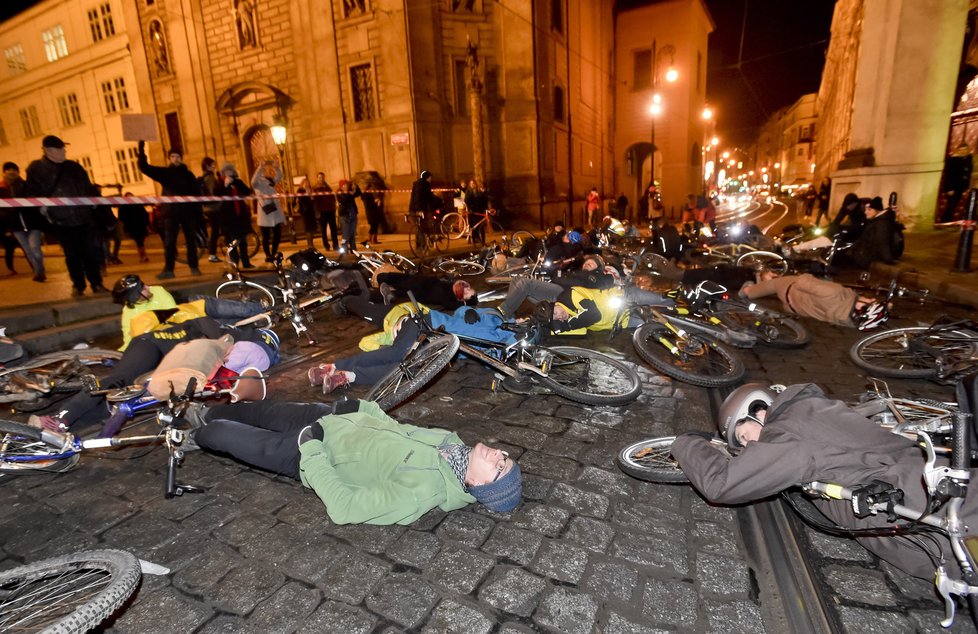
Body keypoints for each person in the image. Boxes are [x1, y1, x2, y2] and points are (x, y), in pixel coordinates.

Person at [671, 382, 978, 581]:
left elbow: (722, 484)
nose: (748, 447)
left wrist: (688, 442)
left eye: (742, 436)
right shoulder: (815, 407)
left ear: (757, 412)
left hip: (940, 527)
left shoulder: (786, 436)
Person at [192, 398, 522, 524]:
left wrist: (312, 453)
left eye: (498, 468)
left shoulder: (422, 491)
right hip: (330, 418)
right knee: (259, 409)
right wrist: (366, 409)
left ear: (477, 486)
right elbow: (399, 429)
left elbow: (345, 508)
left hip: (310, 451)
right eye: (504, 458)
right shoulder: (451, 442)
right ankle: (203, 410)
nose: (498, 455)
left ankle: (189, 435)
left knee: (225, 435)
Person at [23, 135, 106, 296]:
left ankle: (97, 283)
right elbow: (32, 193)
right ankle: (78, 285)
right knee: (72, 255)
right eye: (60, 148)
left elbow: (87, 187)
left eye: (64, 147)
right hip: (61, 220)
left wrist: (94, 202)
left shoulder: (74, 167)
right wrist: (42, 207)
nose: (64, 151)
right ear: (48, 151)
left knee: (90, 253)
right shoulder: (36, 169)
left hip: (83, 217)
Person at [741, 268, 889, 330]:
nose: (869, 298)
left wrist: (806, 275)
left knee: (778, 283)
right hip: (795, 308)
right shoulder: (849, 320)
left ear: (861, 306)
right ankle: (768, 279)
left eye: (870, 301)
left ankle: (748, 291)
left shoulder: (836, 292)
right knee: (785, 284)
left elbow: (802, 282)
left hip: (790, 291)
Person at [137, 141, 203, 278]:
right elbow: (144, 168)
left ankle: (194, 267)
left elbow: (197, 194)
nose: (176, 158)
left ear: (181, 158)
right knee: (169, 242)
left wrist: (199, 214)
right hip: (171, 213)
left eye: (178, 156)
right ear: (169, 158)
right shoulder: (165, 173)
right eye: (173, 156)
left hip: (187, 213)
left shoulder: (188, 175)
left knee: (191, 241)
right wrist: (141, 149)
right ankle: (169, 270)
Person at [2, 162, 47, 282]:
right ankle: (39, 272)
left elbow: (35, 202)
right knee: (28, 251)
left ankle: (40, 271)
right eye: (8, 170)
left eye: (14, 169)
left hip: (32, 223)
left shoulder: (26, 186)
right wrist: (6, 228)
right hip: (15, 225)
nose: (11, 172)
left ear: (18, 172)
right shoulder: (2, 189)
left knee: (35, 249)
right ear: (4, 172)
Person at [112, 274, 177, 351]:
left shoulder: (159, 291)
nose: (148, 287)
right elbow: (129, 340)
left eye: (143, 284)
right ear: (135, 297)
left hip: (173, 339)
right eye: (143, 288)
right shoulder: (128, 312)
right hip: (152, 346)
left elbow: (175, 317)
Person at [215, 162, 254, 269]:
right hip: (228, 218)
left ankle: (246, 263)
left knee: (243, 242)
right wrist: (225, 185)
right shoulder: (219, 183)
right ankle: (235, 263)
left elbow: (248, 191)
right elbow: (217, 195)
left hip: (240, 217)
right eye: (226, 171)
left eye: (230, 171)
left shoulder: (237, 182)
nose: (229, 173)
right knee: (232, 243)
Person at [376, 272, 476, 310]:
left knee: (402, 284)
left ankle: (382, 294)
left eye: (467, 292)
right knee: (401, 282)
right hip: (423, 283)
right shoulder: (454, 287)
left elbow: (450, 304)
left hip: (421, 289)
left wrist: (467, 300)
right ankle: (388, 292)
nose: (467, 289)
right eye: (468, 289)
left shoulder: (452, 300)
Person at [851, 196, 901, 269]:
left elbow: (882, 241)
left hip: (867, 257)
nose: (865, 212)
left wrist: (888, 259)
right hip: (863, 254)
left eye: (869, 210)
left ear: (876, 210)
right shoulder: (877, 220)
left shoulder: (882, 223)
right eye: (865, 210)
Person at [251, 159, 285, 263]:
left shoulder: (269, 180)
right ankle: (268, 254)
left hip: (274, 211)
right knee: (266, 236)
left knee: (277, 234)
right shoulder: (257, 183)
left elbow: (279, 176)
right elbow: (253, 180)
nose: (264, 172)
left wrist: (275, 167)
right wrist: (260, 167)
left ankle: (273, 253)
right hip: (265, 213)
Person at [940, 142, 973, 223]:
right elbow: (948, 175)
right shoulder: (952, 160)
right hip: (952, 187)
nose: (963, 152)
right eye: (961, 150)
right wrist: (949, 188)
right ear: (958, 151)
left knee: (954, 205)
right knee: (951, 205)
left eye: (965, 150)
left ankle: (947, 221)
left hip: (960, 187)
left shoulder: (967, 159)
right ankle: (944, 221)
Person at [198, 157, 222, 263]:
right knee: (215, 232)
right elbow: (213, 193)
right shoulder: (210, 177)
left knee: (215, 231)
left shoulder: (204, 176)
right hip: (213, 208)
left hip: (207, 208)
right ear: (207, 166)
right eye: (212, 165)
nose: (214, 167)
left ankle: (212, 250)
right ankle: (212, 254)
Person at [117, 192, 151, 263]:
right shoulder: (127, 206)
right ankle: (143, 256)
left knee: (140, 242)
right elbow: (122, 217)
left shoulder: (127, 206)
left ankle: (143, 256)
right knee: (140, 242)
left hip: (138, 225)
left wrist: (147, 224)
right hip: (134, 226)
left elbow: (144, 214)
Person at [312, 172, 338, 251]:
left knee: (333, 228)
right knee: (323, 230)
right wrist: (317, 211)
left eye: (322, 177)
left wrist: (333, 206)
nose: (321, 179)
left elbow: (332, 197)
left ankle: (335, 245)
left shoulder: (327, 187)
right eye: (319, 177)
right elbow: (315, 201)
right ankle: (326, 245)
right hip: (322, 211)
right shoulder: (315, 188)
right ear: (317, 178)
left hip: (330, 210)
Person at [336, 179, 361, 250]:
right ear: (341, 186)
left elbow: (358, 193)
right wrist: (348, 194)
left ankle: (353, 249)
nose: (346, 186)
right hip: (344, 216)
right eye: (344, 185)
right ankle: (344, 248)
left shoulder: (350, 192)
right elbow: (343, 201)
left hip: (353, 215)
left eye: (346, 185)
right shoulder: (339, 193)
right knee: (345, 234)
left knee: (352, 233)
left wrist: (356, 186)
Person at [464, 179, 489, 243]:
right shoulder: (468, 192)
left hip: (479, 210)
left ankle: (483, 241)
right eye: (471, 184)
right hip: (472, 211)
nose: (472, 185)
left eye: (473, 183)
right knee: (473, 227)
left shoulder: (478, 191)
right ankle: (474, 239)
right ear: (470, 185)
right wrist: (471, 208)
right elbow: (466, 201)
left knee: (481, 227)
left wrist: (483, 193)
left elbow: (483, 200)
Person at [295, 178, 317, 248]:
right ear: (302, 184)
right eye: (305, 183)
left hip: (311, 211)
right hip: (305, 212)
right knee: (308, 229)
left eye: (308, 183)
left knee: (313, 229)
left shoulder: (310, 190)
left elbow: (313, 201)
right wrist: (307, 194)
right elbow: (302, 201)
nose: (307, 185)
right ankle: (310, 245)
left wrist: (311, 197)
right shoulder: (300, 191)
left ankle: (311, 243)